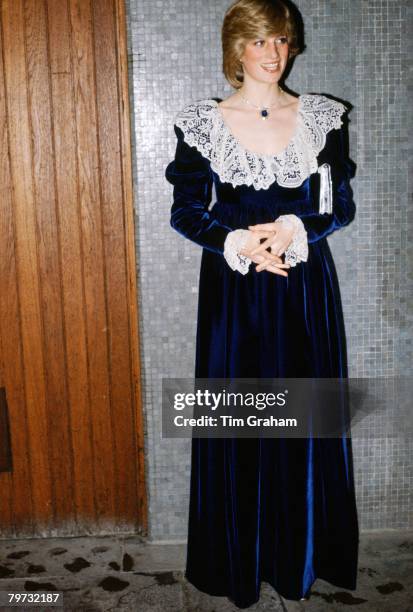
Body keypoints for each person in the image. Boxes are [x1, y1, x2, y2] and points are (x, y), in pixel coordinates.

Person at [165, 0, 359, 607]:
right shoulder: (202, 122)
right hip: (237, 288)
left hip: (302, 285)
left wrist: (296, 230)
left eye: (281, 40)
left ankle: (298, 556)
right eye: (259, 42)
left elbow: (338, 206)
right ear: (236, 49)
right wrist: (240, 240)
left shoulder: (323, 117)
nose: (273, 54)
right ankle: (237, 563)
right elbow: (186, 212)